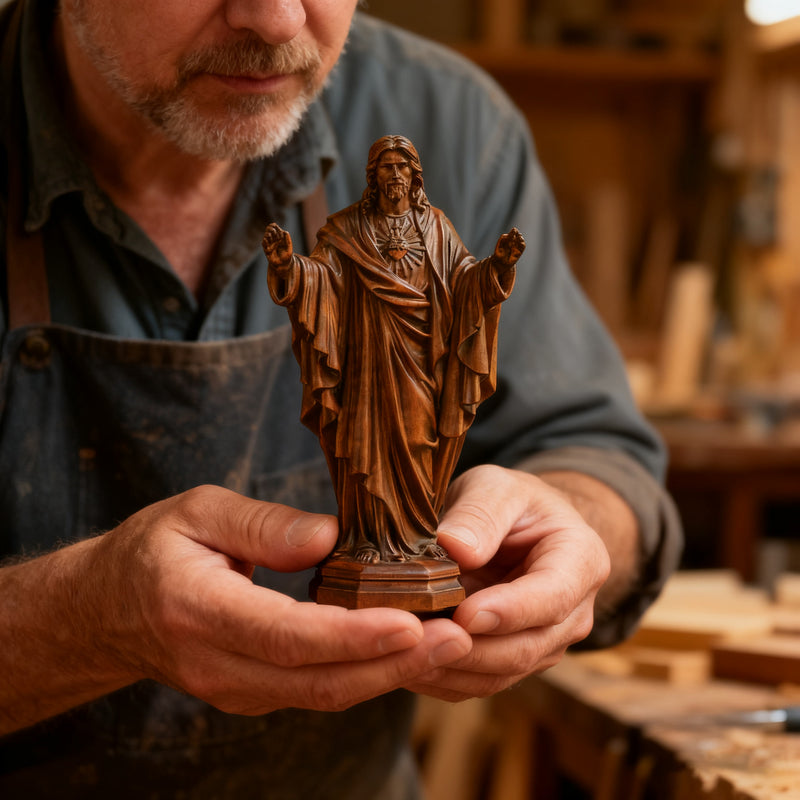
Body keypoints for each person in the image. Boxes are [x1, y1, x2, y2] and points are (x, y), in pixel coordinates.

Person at [0, 0, 682, 797]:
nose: (277, 19)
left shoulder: (453, 119)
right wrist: (79, 620)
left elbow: (598, 455)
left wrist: (572, 523)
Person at [263, 135, 525, 564]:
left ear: (415, 177)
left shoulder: (437, 227)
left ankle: (418, 534)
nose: (395, 175)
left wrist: (497, 268)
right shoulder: (346, 228)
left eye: (403, 168)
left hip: (422, 357)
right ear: (373, 176)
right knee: (366, 442)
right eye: (386, 167)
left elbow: (463, 280)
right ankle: (367, 538)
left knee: (419, 440)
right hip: (367, 359)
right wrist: (288, 267)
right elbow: (322, 276)